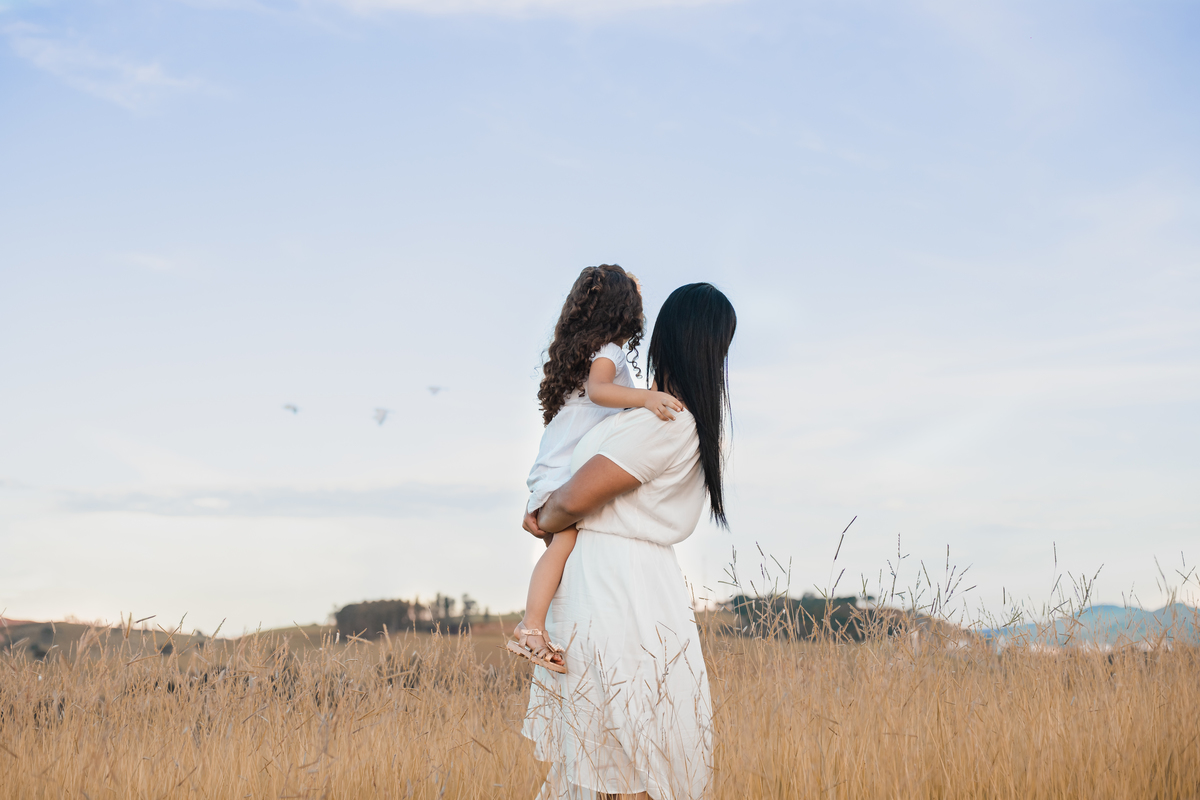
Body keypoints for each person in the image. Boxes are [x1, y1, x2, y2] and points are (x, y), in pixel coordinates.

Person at [522, 283, 737, 800]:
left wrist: (542, 517)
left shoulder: (664, 421)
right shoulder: (670, 419)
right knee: (621, 752)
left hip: (615, 589)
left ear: (668, 337)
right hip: (629, 582)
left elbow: (575, 499)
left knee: (622, 756)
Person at [511, 265, 685, 673]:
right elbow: (600, 392)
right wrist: (647, 397)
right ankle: (531, 628)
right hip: (559, 472)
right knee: (565, 547)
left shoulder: (586, 353)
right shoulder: (607, 353)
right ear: (625, 311)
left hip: (552, 466)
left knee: (563, 563)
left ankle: (550, 632)